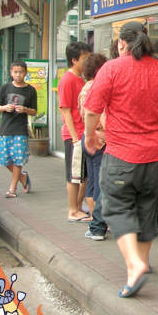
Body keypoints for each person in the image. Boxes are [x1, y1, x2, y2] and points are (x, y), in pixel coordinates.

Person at [82, 21, 158, 298]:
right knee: (147, 207)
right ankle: (144, 262)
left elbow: (91, 110)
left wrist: (89, 136)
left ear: (121, 44)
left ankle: (134, 264)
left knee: (115, 206)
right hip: (154, 158)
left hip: (121, 156)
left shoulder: (111, 69)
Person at [58, 41, 91, 222]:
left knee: (83, 175)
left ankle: (78, 207)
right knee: (73, 175)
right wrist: (74, 137)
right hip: (75, 135)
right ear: (73, 60)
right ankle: (72, 210)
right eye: (84, 58)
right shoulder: (68, 80)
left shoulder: (81, 79)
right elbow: (65, 110)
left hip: (82, 133)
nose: (87, 62)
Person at [78, 53, 109, 241]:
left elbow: (83, 113)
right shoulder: (98, 87)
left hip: (87, 137)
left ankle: (94, 221)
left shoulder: (84, 88)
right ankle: (98, 224)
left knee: (91, 182)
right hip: (99, 139)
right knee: (100, 183)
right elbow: (98, 114)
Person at [0, 60, 37, 198]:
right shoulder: (5, 88)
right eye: (15, 72)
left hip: (20, 129)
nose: (18, 75)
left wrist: (25, 109)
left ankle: (12, 189)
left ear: (26, 73)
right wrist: (4, 108)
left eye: (21, 72)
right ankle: (23, 178)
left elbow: (34, 111)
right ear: (11, 72)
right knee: (5, 160)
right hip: (5, 128)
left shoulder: (30, 90)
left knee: (18, 160)